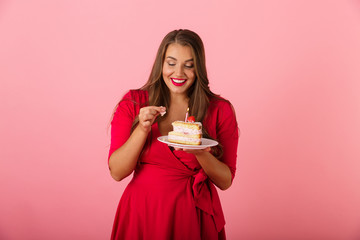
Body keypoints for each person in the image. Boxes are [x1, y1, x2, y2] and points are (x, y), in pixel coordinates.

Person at [108, 29, 239, 240]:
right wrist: (142, 129)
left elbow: (225, 181)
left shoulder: (219, 110)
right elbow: (117, 172)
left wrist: (200, 152)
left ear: (199, 69)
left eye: (189, 65)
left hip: (194, 216)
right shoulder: (133, 102)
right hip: (143, 212)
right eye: (171, 63)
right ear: (161, 63)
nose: (178, 73)